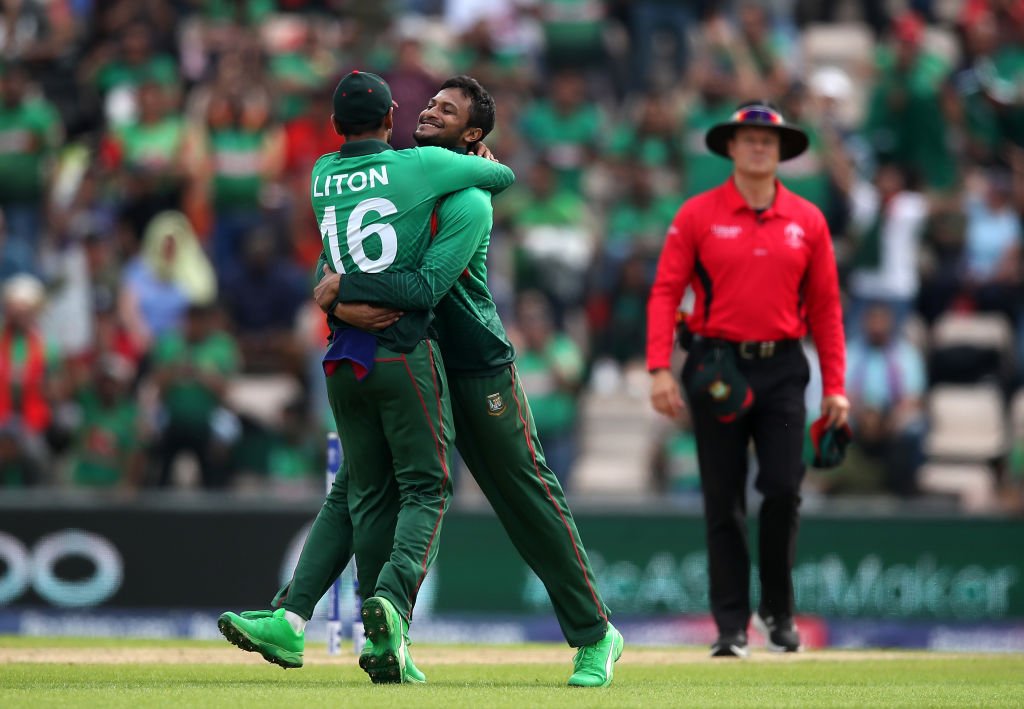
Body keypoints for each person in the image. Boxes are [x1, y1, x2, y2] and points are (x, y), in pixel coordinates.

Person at [220, 75, 621, 688]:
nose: (430, 111)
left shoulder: (467, 199)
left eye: (448, 109)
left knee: (525, 500)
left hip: (471, 364)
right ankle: (370, 635)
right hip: (407, 358)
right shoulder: (402, 176)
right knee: (360, 491)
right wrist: (342, 300)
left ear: (473, 133)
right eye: (430, 102)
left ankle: (595, 636)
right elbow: (339, 264)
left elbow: (422, 290)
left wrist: (341, 294)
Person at [647, 102, 848, 657]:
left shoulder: (807, 220)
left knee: (783, 489)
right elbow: (666, 291)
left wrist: (836, 387)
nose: (759, 147)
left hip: (784, 366)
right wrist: (660, 367)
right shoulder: (696, 215)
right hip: (717, 367)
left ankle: (779, 613)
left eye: (768, 139)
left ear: (781, 151)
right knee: (723, 497)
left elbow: (827, 309)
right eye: (748, 138)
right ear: (730, 148)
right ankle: (731, 626)